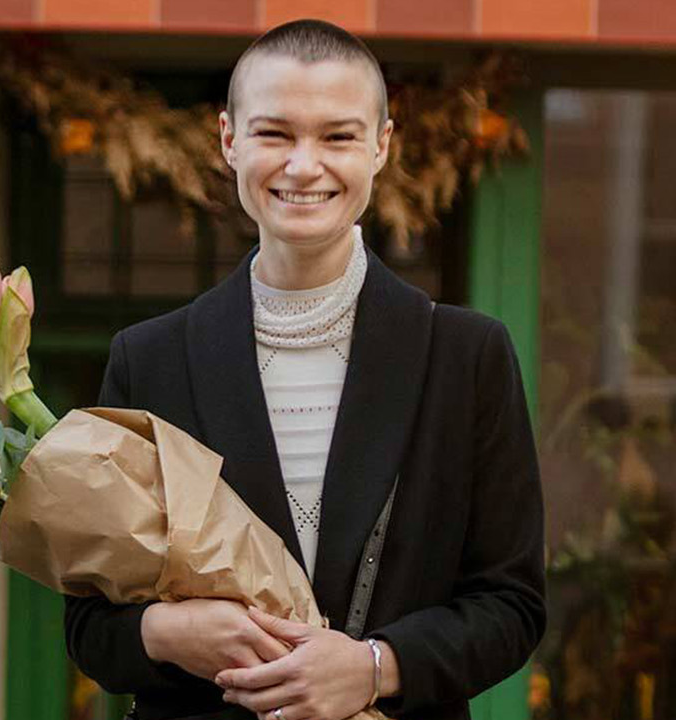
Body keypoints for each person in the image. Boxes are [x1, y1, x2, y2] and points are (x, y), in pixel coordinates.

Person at [65, 19, 546, 720]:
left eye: (337, 136)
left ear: (381, 146)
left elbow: (512, 604)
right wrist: (167, 632)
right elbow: (89, 629)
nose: (303, 165)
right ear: (229, 139)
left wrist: (376, 667)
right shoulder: (150, 359)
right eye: (275, 134)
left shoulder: (467, 356)